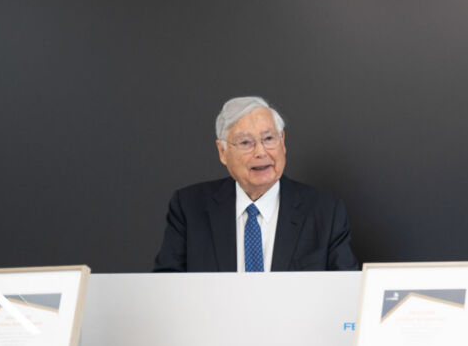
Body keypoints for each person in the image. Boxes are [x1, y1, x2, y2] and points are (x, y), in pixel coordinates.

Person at [153, 96, 358, 272]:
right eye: (245, 143)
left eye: (268, 138)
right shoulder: (189, 208)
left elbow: (346, 291)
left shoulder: (325, 212)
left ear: (282, 141)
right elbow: (166, 288)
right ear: (222, 152)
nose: (260, 152)